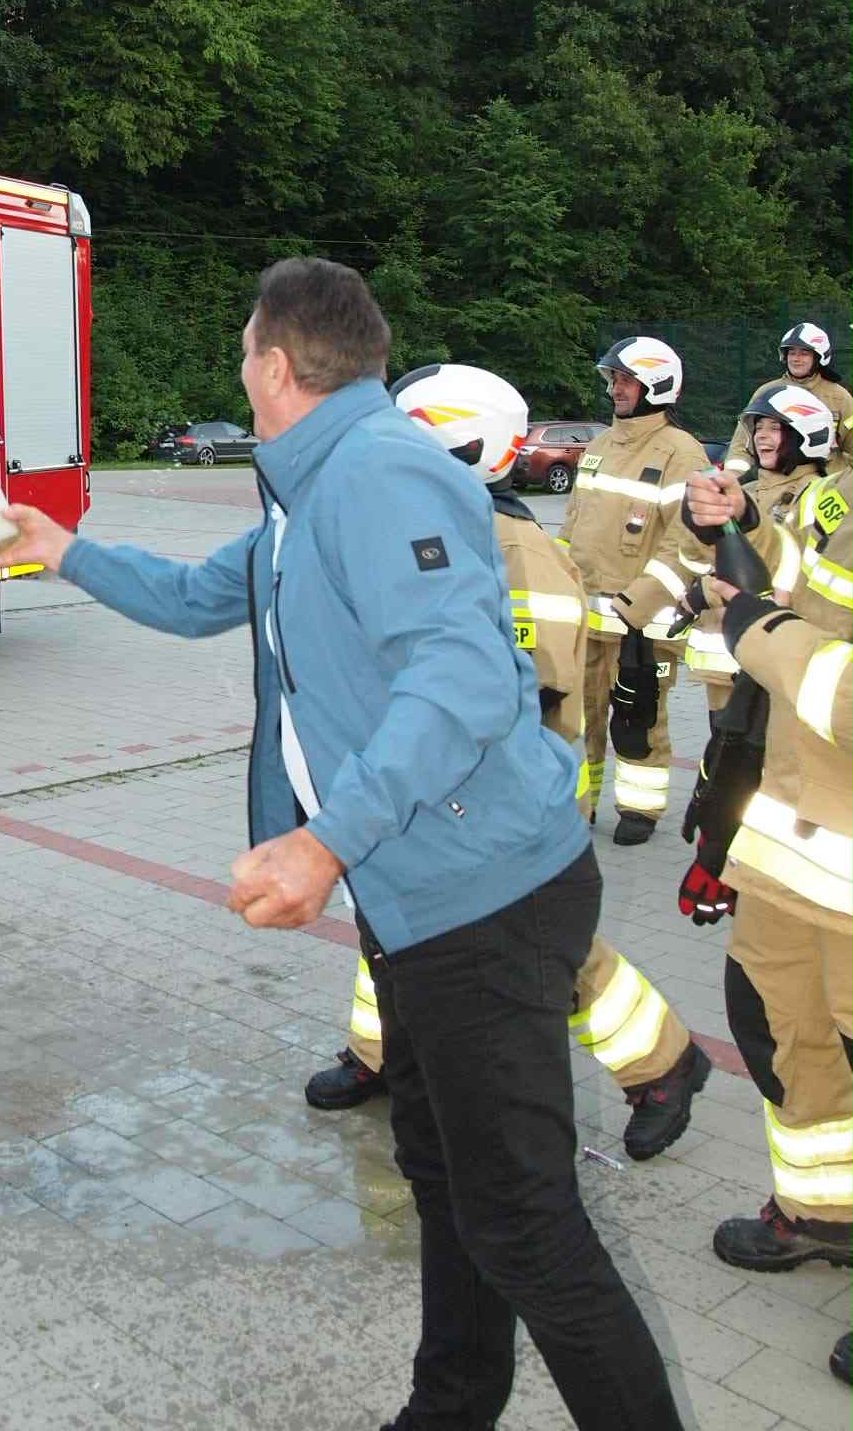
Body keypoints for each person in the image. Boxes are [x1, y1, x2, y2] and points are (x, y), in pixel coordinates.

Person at [0, 260, 683, 1431]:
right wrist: (58, 548)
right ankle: (449, 1409)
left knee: (525, 1224)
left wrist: (323, 844)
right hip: (422, 904)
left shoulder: (379, 474)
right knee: (447, 1181)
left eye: (242, 352)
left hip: (484, 899)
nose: (239, 369)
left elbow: (462, 680)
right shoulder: (305, 492)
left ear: (273, 365)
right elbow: (198, 596)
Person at [305, 364, 708, 1163]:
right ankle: (381, 1051)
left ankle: (662, 1064)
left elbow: (539, 694)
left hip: (491, 799)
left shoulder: (516, 551)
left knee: (536, 944)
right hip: (413, 784)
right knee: (390, 917)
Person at [681, 462, 852, 1333]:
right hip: (803, 844)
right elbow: (819, 589)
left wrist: (762, 632)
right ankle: (826, 1214)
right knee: (785, 1032)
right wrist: (745, 527)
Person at [557, 338, 706, 845]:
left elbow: (686, 541)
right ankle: (580, 806)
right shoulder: (599, 446)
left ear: (656, 386)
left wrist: (637, 604)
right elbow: (572, 525)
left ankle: (639, 809)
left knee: (640, 720)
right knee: (582, 718)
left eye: (626, 381)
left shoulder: (681, 453)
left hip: (642, 625)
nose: (615, 389)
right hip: (588, 619)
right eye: (614, 380)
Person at [677, 384, 835, 699]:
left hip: (773, 663)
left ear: (808, 435)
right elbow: (694, 560)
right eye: (758, 428)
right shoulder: (744, 493)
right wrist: (697, 527)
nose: (761, 436)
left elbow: (787, 569)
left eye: (775, 428)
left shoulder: (818, 495)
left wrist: (705, 591)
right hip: (722, 663)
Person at [723, 322, 852, 477]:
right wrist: (731, 477)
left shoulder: (839, 397)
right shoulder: (766, 392)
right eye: (791, 353)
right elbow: (742, 444)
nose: (796, 359)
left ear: (819, 357)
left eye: (804, 353)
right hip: (776, 482)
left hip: (825, 483)